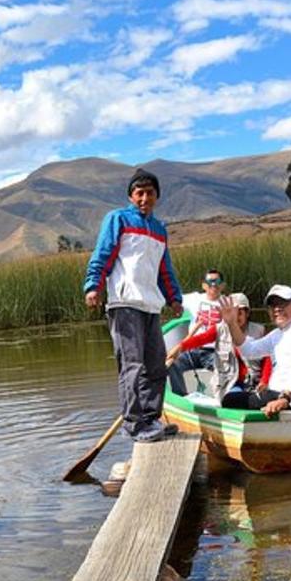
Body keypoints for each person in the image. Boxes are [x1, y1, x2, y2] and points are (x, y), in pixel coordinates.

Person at [83, 168, 184, 443]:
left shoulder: (160, 230)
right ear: (131, 196)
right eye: (139, 193)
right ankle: (134, 424)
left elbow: (165, 268)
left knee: (155, 367)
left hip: (151, 305)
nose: (144, 198)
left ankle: (151, 420)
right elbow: (103, 254)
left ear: (156, 197)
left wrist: (175, 298)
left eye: (149, 193)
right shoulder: (118, 219)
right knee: (132, 365)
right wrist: (93, 285)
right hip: (124, 303)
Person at [220, 284, 291, 416]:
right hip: (279, 396)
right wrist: (232, 324)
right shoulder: (278, 334)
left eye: (283, 304)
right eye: (273, 305)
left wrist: (285, 398)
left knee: (231, 400)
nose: (277, 309)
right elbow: (249, 350)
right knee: (231, 399)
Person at [166, 292, 266, 398]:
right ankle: (181, 397)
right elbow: (200, 339)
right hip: (231, 383)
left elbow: (267, 359)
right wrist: (180, 347)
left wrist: (264, 381)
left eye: (240, 313)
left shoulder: (258, 331)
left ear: (247, 313)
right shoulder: (220, 328)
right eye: (233, 312)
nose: (236, 317)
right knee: (232, 397)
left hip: (254, 383)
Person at [168, 268, 228, 392]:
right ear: (204, 285)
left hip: (214, 351)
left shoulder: (227, 303)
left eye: (217, 282)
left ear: (222, 285)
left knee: (224, 369)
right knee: (173, 364)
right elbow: (173, 298)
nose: (213, 285)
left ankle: (222, 399)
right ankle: (181, 398)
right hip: (192, 349)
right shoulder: (194, 298)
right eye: (210, 282)